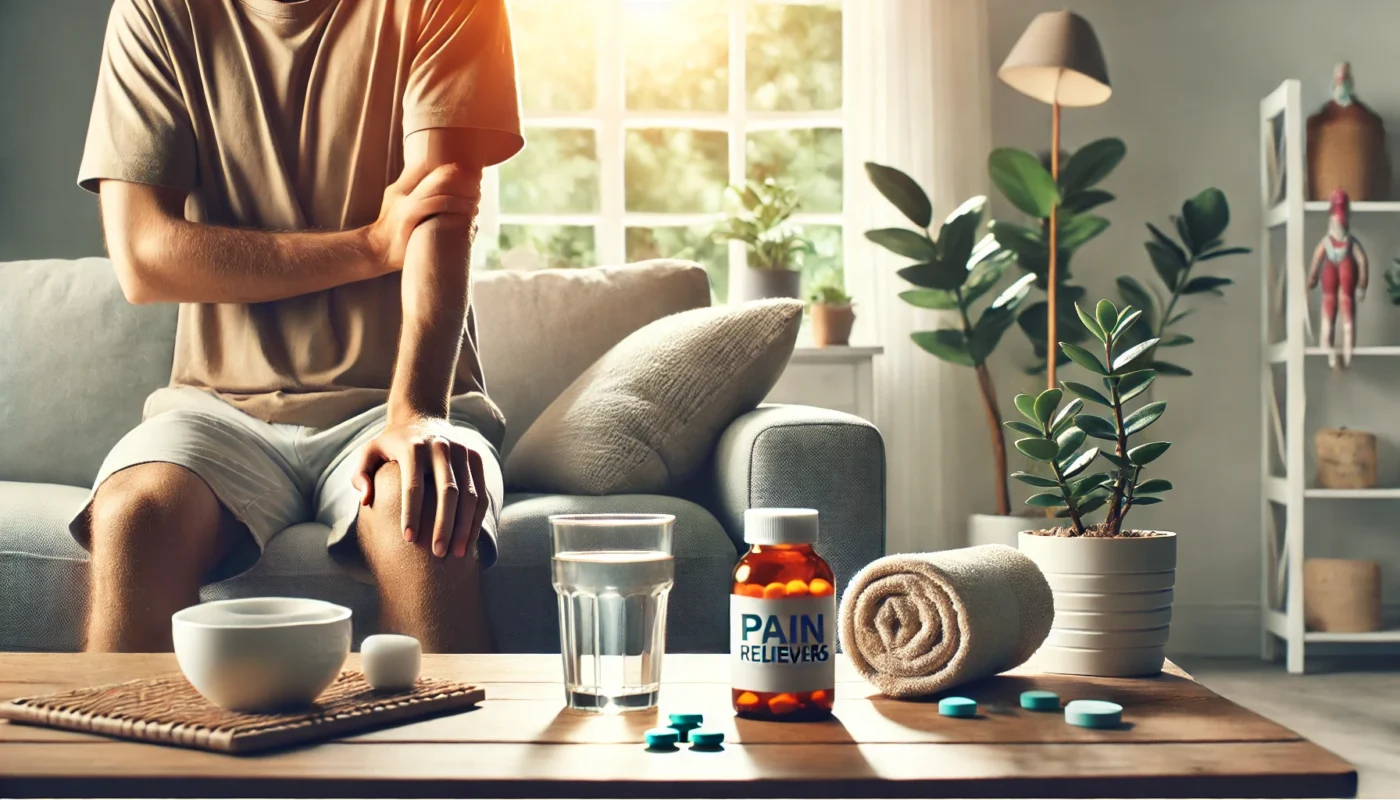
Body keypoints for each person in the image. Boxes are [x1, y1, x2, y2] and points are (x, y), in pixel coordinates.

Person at [72, 0, 523, 653]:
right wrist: (368, 246)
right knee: (135, 516)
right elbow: (144, 258)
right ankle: (127, 757)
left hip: (393, 404)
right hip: (216, 411)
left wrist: (418, 413)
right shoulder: (157, 11)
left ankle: (458, 753)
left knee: (421, 517)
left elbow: (440, 213)